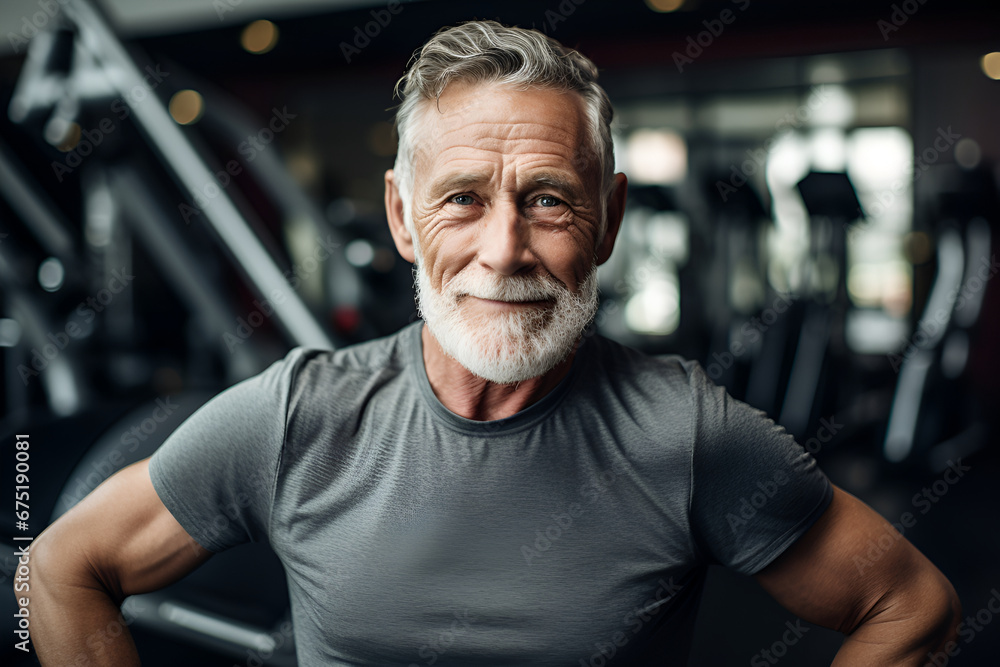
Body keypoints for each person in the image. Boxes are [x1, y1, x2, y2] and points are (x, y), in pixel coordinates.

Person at [24, 20, 960, 666]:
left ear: (609, 219)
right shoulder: (295, 415)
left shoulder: (691, 435)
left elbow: (910, 605)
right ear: (402, 214)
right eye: (463, 198)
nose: (504, 248)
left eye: (548, 198)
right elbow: (63, 566)